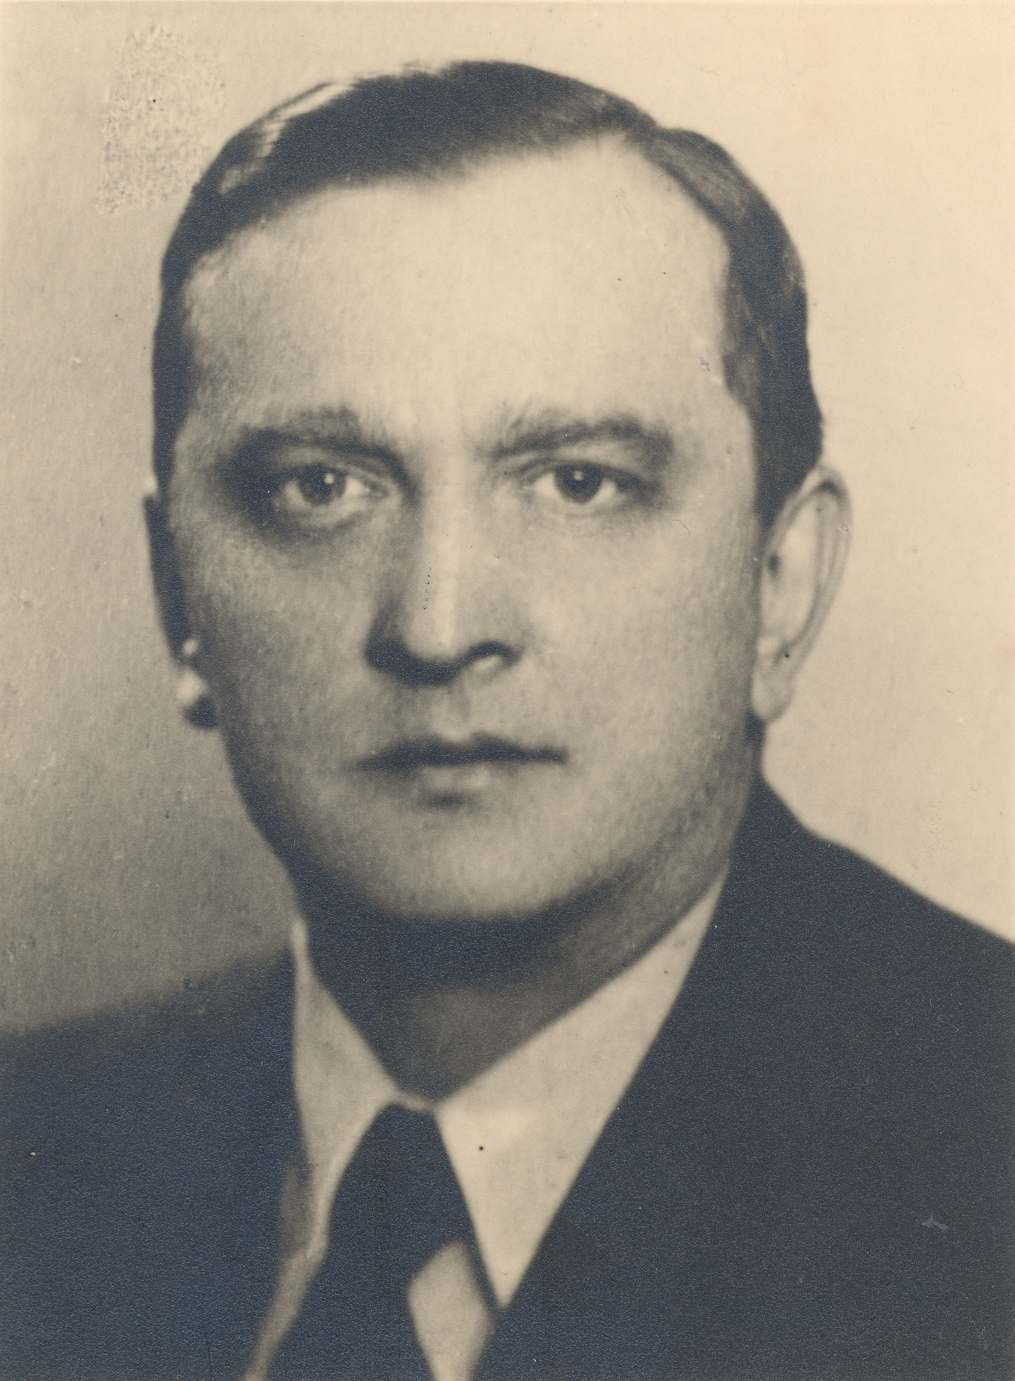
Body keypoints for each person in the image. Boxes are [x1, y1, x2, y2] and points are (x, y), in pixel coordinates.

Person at [2, 60, 1011, 1381]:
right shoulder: (36, 1153)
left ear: (778, 585)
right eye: (321, 487)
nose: (437, 625)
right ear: (176, 592)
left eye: (579, 482)